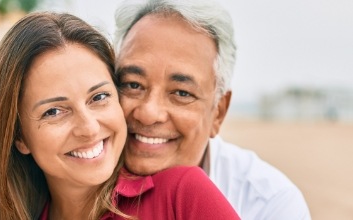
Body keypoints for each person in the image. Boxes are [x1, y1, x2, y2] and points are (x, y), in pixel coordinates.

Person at [0, 11, 239, 220]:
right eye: (54, 111)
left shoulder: (183, 196)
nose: (89, 128)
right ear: (19, 136)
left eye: (99, 97)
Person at [113, 0, 312, 219]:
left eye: (181, 93)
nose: (149, 113)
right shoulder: (77, 180)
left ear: (218, 112)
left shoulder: (269, 204)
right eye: (133, 85)